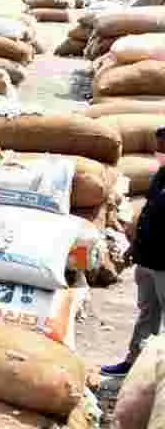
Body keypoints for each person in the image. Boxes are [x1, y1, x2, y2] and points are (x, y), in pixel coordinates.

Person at [104, 126, 165, 377]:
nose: (159, 152)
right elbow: (149, 211)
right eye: (158, 147)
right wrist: (134, 245)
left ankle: (157, 376)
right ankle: (134, 363)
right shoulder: (161, 175)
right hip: (147, 259)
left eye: (163, 147)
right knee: (147, 313)